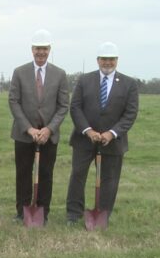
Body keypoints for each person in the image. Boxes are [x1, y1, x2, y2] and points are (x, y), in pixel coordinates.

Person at [65, 42, 139, 225]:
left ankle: (102, 215)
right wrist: (88, 130)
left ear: (117, 60)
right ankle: (74, 214)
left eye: (111, 59)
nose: (108, 62)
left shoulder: (129, 84)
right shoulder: (84, 80)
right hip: (84, 139)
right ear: (98, 60)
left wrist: (112, 133)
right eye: (104, 59)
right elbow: (75, 107)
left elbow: (130, 113)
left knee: (110, 180)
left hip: (113, 142)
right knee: (77, 175)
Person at [8, 29, 69, 223]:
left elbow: (63, 105)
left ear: (49, 49)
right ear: (32, 49)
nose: (41, 52)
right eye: (37, 49)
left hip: (48, 135)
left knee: (46, 174)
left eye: (44, 49)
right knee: (23, 174)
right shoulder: (19, 72)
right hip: (24, 134)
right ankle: (22, 212)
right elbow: (14, 102)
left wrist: (49, 129)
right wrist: (29, 128)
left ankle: (43, 211)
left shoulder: (60, 74)